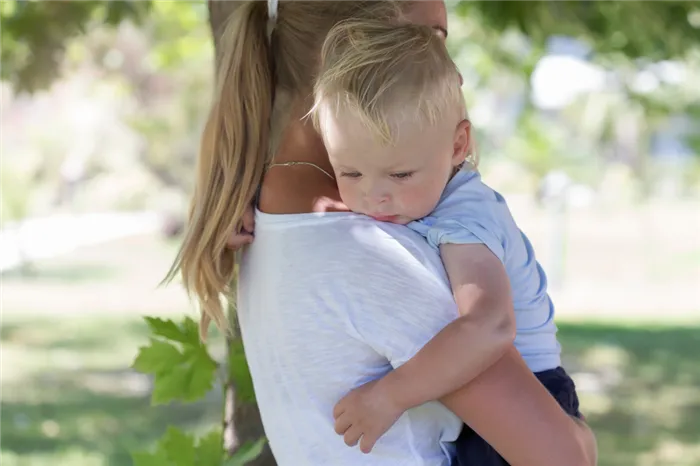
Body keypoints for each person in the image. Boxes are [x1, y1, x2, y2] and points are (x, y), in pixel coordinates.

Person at [167, 0, 597, 464]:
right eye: (431, 39)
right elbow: (563, 456)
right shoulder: (368, 251)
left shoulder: (275, 214)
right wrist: (583, 441)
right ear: (353, 50)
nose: (455, 75)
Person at [306, 18, 588, 463]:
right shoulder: (411, 197)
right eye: (350, 173)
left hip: (527, 398)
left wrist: (388, 397)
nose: (373, 195)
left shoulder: (464, 219)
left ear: (458, 145)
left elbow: (489, 325)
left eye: (400, 174)